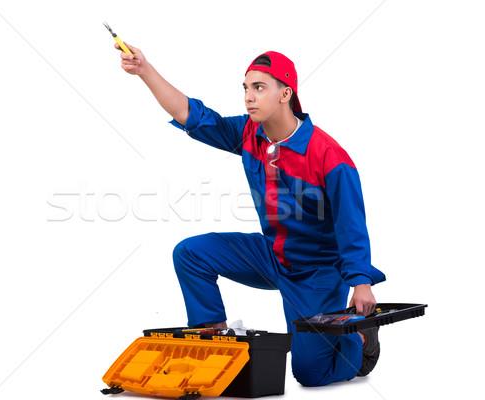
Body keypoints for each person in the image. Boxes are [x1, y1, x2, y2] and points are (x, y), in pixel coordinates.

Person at [114, 42, 386, 386]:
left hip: (316, 273)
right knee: (191, 254)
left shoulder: (329, 157)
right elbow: (192, 116)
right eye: (246, 88)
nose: (248, 97)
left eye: (259, 88)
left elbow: (352, 226)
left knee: (309, 373)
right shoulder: (248, 134)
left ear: (286, 93)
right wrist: (144, 70)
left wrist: (361, 284)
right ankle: (214, 341)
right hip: (271, 256)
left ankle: (359, 341)